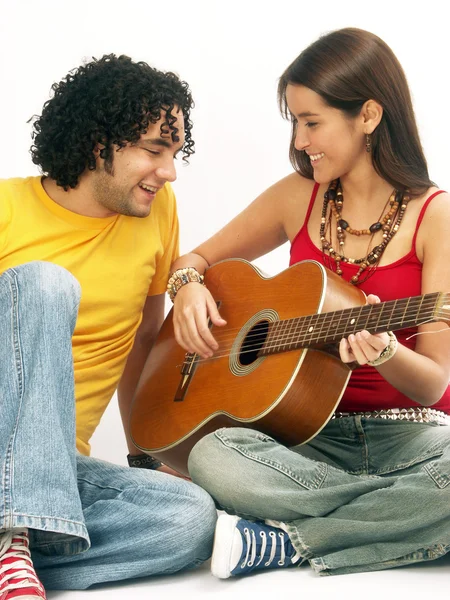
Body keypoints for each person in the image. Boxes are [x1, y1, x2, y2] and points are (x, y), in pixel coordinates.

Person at [168, 28, 450, 578]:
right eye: (295, 122)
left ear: (368, 115)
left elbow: (438, 382)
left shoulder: (436, 219)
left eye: (312, 121)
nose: (299, 141)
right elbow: (191, 260)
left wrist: (386, 352)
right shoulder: (299, 197)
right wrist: (188, 290)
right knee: (210, 454)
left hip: (412, 436)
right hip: (303, 439)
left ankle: (285, 540)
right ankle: (397, 514)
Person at [0, 54, 217, 599]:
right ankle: (13, 535)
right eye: (153, 149)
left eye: (175, 152)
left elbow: (143, 340)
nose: (168, 171)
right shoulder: (6, 207)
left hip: (60, 470)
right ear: (100, 143)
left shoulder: (158, 212)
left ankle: (19, 538)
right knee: (47, 285)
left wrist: (145, 458)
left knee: (188, 517)